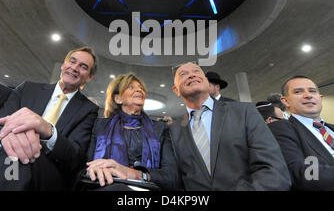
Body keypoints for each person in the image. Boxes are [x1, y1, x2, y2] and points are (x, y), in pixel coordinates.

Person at [169, 62, 291, 191]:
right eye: (183, 74)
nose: (192, 75)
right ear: (176, 90)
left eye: (196, 71)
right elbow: (177, 179)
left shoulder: (244, 112)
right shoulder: (173, 130)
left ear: (206, 81)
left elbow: (273, 169)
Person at [0, 46, 99, 190]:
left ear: (89, 76)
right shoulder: (27, 89)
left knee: (18, 158)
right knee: (14, 154)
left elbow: (76, 157)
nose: (74, 68)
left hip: (49, 171)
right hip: (6, 155)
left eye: (83, 67)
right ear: (63, 65)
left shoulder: (88, 110)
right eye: (72, 62)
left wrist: (49, 131)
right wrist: (4, 137)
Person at [77, 73, 179, 191]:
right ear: (118, 98)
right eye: (131, 87)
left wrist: (134, 174)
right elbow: (86, 166)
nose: (139, 90)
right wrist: (93, 170)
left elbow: (172, 178)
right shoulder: (99, 126)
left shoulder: (160, 128)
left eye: (141, 88)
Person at [269, 75, 334, 190]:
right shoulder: (280, 129)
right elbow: (303, 173)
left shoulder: (331, 129)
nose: (308, 95)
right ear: (285, 101)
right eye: (298, 92)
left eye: (312, 91)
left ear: (320, 98)